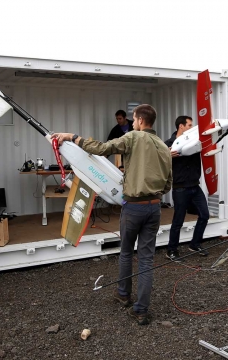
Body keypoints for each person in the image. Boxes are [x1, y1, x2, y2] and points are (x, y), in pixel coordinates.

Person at [52, 104, 172, 325]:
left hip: (134, 207)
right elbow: (168, 184)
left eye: (134, 119)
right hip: (154, 207)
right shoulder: (164, 147)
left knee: (126, 252)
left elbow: (101, 148)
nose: (132, 122)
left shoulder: (133, 137)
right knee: (146, 259)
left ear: (140, 121)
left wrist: (72, 137)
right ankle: (141, 310)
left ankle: (123, 294)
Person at [164, 116, 210, 262]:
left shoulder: (195, 141)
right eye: (189, 125)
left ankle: (195, 244)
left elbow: (212, 139)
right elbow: (156, 160)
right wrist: (167, 155)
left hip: (195, 186)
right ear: (181, 126)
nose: (192, 127)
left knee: (204, 215)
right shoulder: (168, 144)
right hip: (180, 188)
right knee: (178, 220)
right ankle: (171, 250)